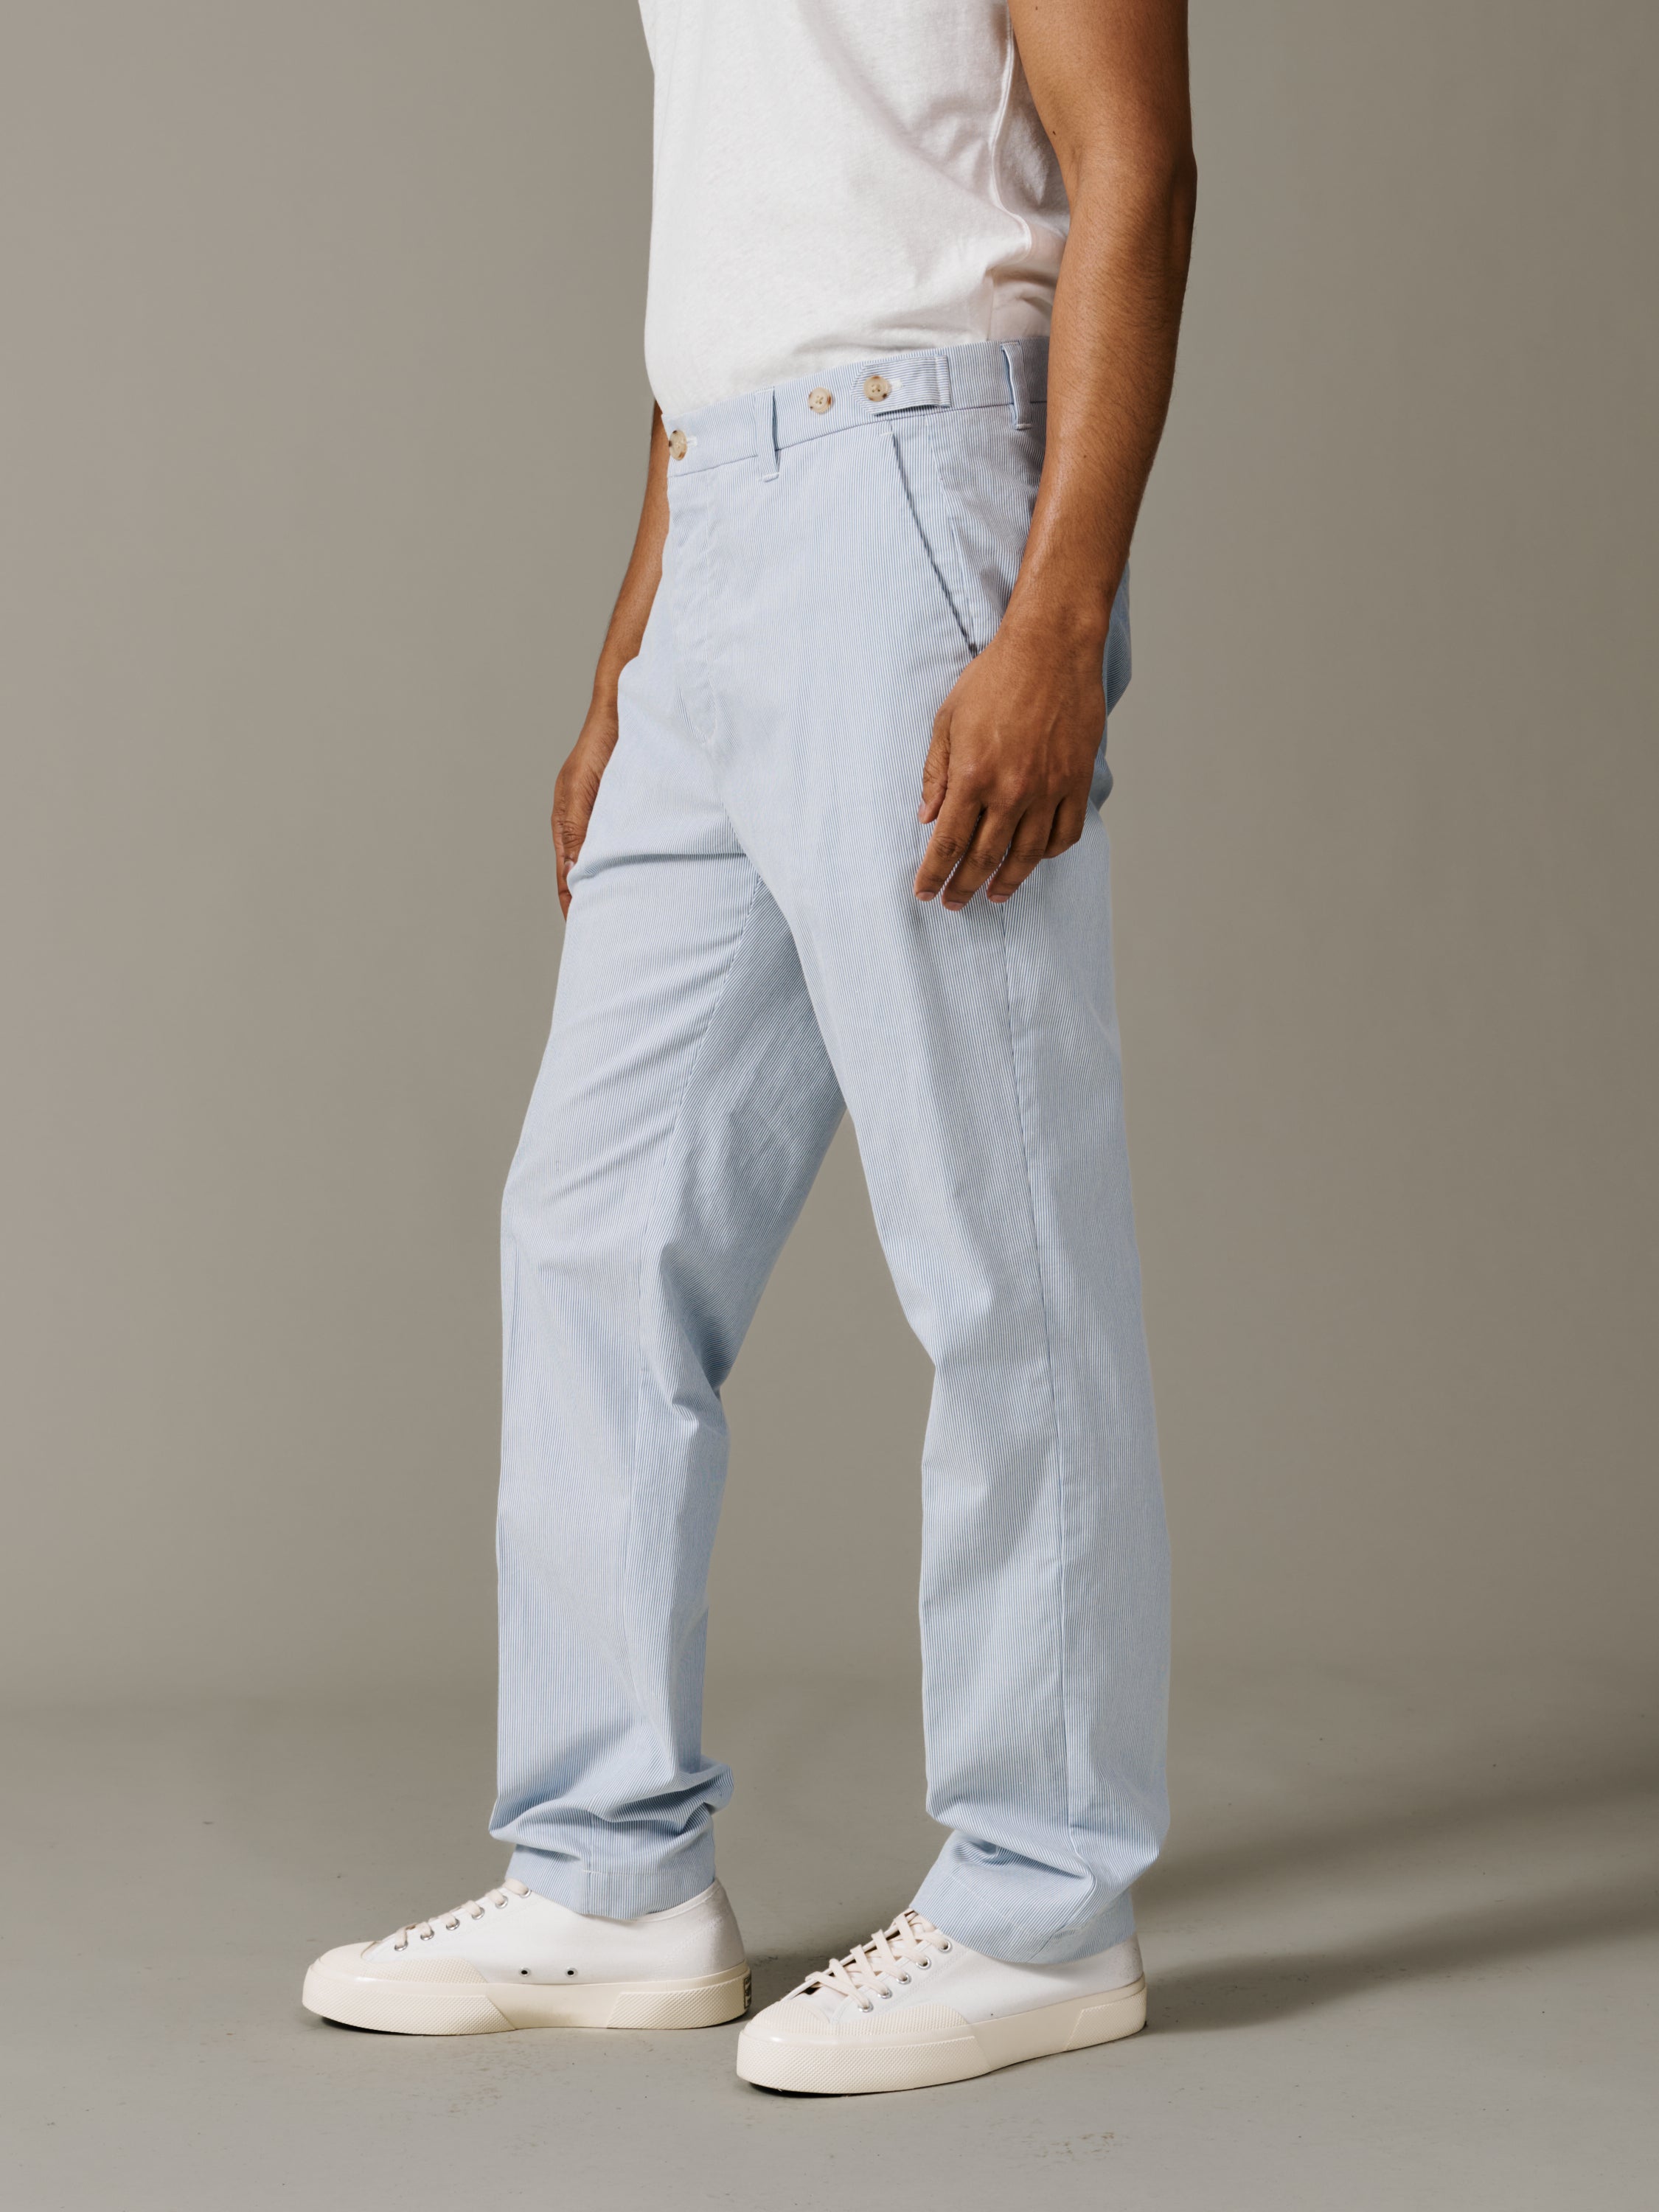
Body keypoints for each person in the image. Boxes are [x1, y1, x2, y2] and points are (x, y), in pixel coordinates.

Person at [303, 0, 1196, 2096]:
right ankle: (609, 1872)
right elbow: (736, 235)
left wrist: (1059, 618)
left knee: (998, 1242)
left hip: (916, 493)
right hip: (719, 512)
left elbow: (1137, 169)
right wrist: (635, 645)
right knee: (593, 1228)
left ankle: (1043, 1899)